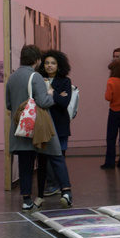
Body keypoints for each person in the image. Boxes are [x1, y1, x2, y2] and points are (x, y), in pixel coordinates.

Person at [6, 45, 72, 209]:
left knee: (25, 164)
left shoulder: (12, 78)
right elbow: (43, 101)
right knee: (56, 156)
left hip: (20, 127)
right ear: (37, 60)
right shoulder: (35, 77)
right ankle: (66, 192)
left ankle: (26, 200)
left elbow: (9, 104)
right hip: (39, 127)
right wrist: (53, 96)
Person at [37, 50, 73, 196]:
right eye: (47, 63)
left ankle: (56, 184)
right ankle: (50, 184)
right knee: (44, 157)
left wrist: (53, 94)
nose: (49, 66)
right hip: (43, 124)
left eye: (53, 63)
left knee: (58, 156)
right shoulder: (39, 79)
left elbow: (65, 102)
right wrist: (57, 96)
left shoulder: (65, 81)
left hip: (60, 124)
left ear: (59, 65)